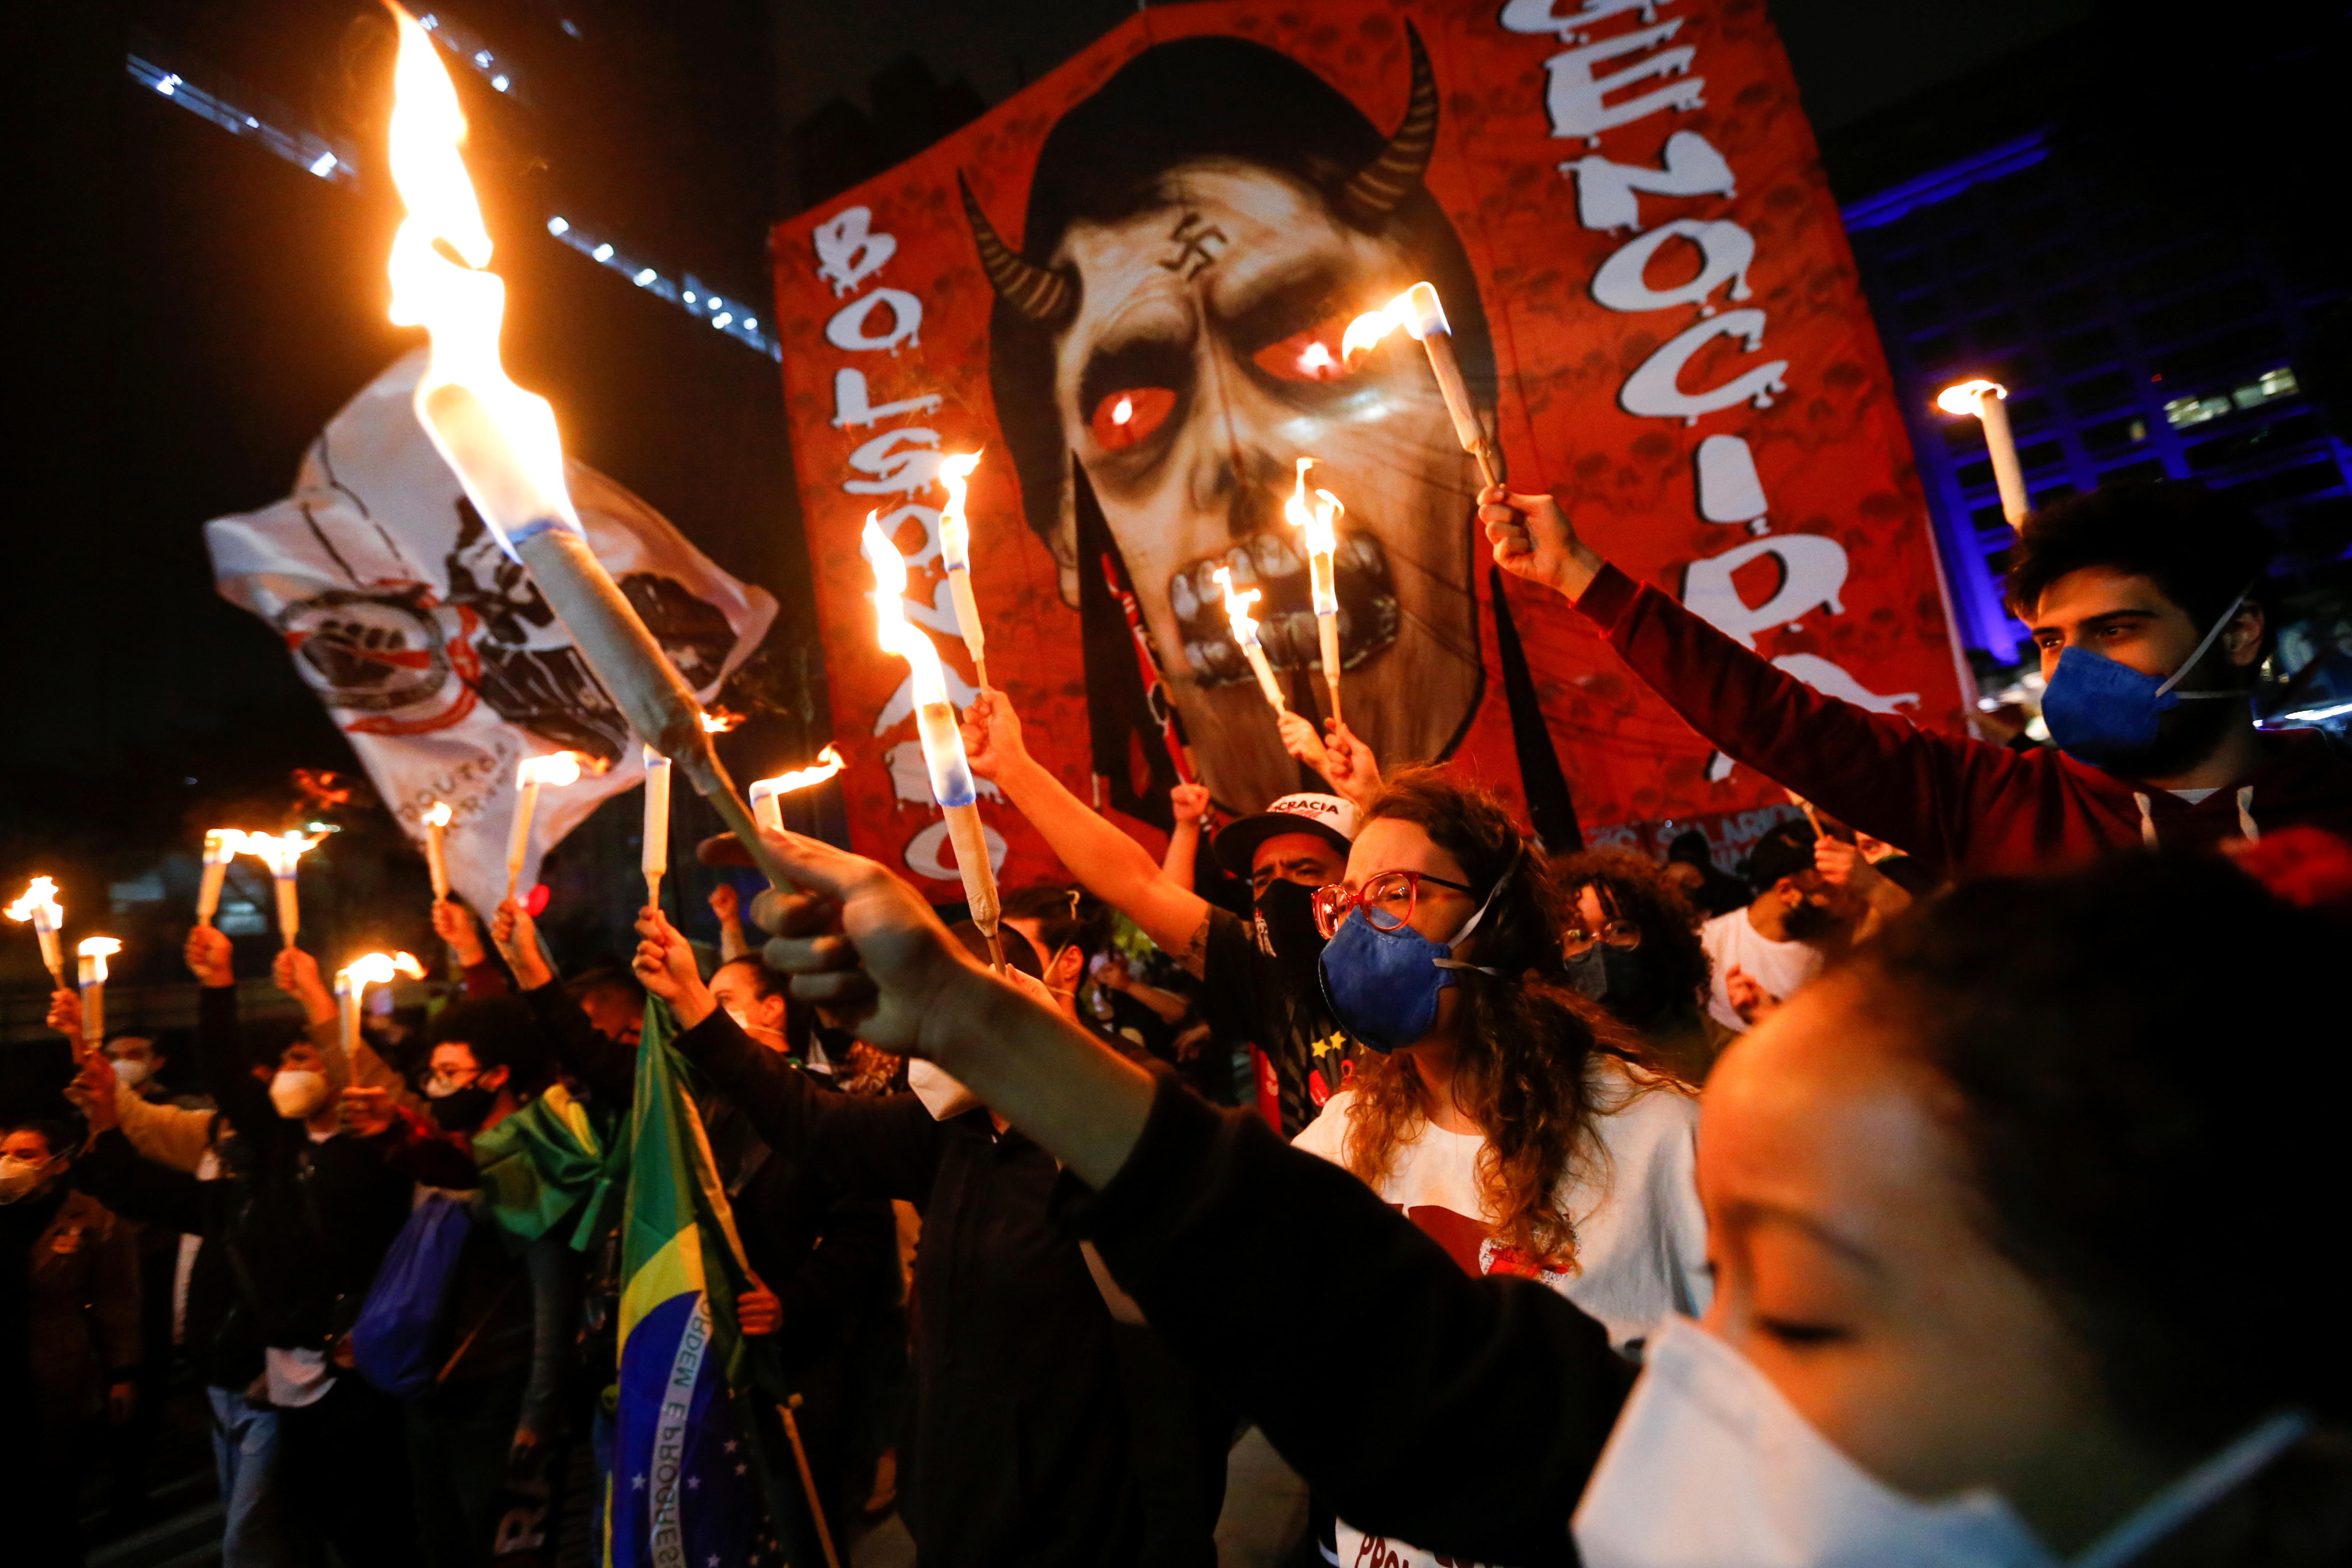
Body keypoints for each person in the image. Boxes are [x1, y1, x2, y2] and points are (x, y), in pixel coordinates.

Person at [739, 818, 2352, 1567]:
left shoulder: (1655, 1133)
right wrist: (964, 1017)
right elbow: (1403, 1352)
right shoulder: (1368, 1170)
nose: (1699, 1388)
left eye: (1799, 1308)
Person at [634, 904, 1232, 1568]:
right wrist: (692, 999)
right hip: (963, 1507)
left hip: (1095, 1518)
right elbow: (810, 1122)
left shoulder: (1108, 1127)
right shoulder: (948, 1132)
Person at [1476, 476, 2352, 870]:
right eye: (2051, 641)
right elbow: (1780, 721)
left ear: (2238, 635)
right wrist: (1580, 577)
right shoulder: (1995, 802)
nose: (2074, 665)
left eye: (2115, 629)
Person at [1289, 771, 1707, 1566]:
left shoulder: (1660, 1134)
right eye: (1344, 903)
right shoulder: (1342, 1140)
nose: (1358, 930)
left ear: (1499, 919)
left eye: (1397, 891)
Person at [964, 683, 1359, 1135]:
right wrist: (1013, 768)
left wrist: (1364, 790)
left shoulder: (1425, 961)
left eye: (1305, 870)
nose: (1277, 890)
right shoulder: (1259, 968)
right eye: (1263, 879)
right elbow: (1139, 884)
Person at [176, 924, 420, 1568]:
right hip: (285, 1375)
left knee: (375, 1528)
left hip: (355, 1369)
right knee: (309, 1523)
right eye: (289, 1062)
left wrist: (318, 999)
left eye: (310, 1059)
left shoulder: (377, 1151)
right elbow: (225, 1069)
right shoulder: (278, 1146)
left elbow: (361, 1075)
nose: (296, 1071)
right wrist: (218, 987)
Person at [2, 1118, 142, 1568]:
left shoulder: (91, 1216)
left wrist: (122, 1372)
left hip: (57, 1365)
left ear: (58, 1164)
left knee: (54, 1489)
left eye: (26, 1156)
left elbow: (117, 1300)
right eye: (5, 1153)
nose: (10, 1164)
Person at [1552, 847, 1724, 1083]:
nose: (1600, 948)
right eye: (1579, 936)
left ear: (1661, 937)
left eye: (1620, 930)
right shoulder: (1555, 1057)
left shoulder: (1718, 1049)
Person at [1699, 820, 1847, 1034]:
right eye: (1830, 891)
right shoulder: (1709, 942)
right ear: (1786, 890)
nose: (1844, 903)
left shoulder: (1846, 945)